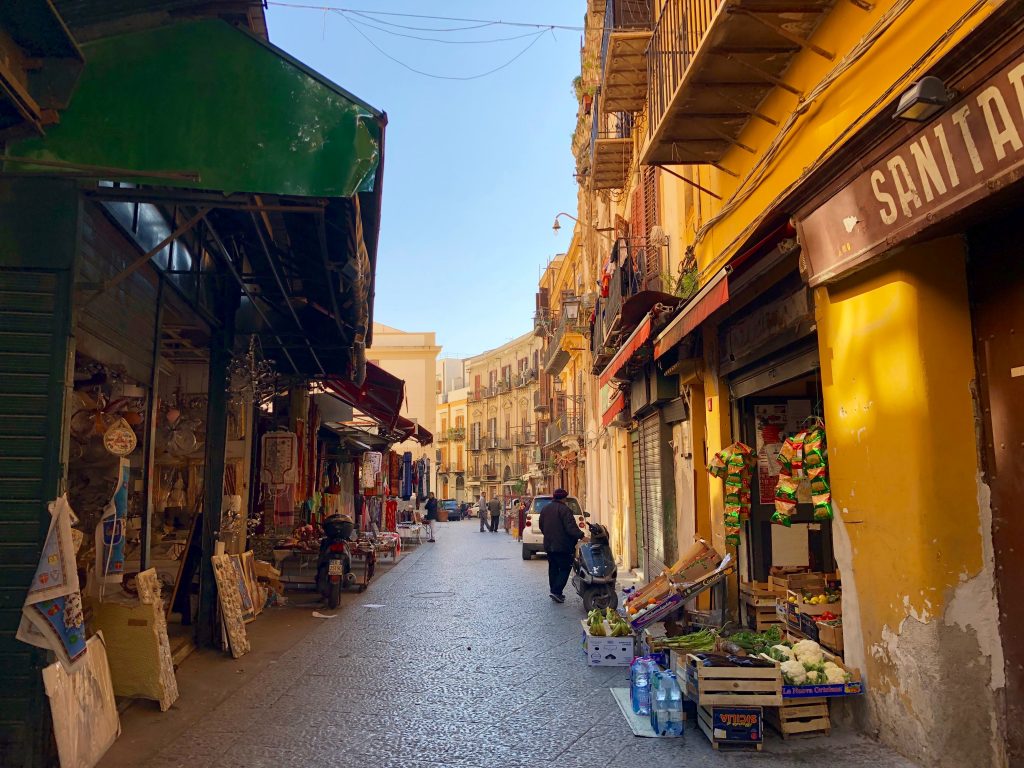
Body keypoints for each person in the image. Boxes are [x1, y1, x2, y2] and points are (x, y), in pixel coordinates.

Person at [538, 489, 583, 603]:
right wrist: (581, 536)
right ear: (563, 498)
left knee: (553, 568)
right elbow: (570, 528)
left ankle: (554, 591)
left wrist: (548, 535)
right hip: (563, 545)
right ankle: (557, 591)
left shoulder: (545, 509)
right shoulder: (565, 510)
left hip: (549, 544)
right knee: (564, 568)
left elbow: (541, 526)